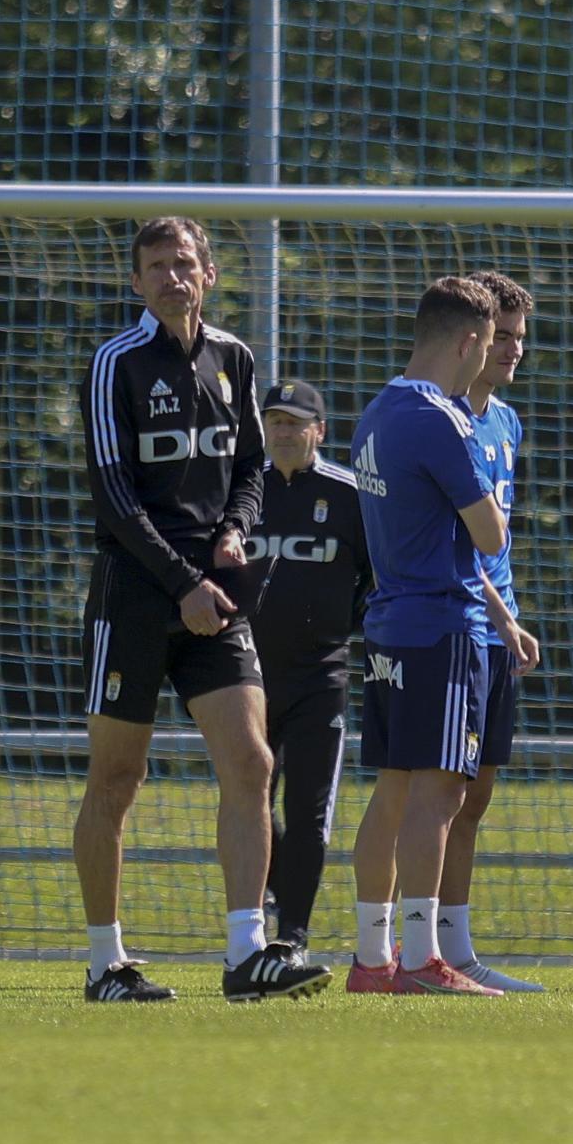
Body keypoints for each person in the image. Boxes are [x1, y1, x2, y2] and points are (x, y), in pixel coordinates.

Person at [74, 216, 331, 1003]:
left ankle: (248, 953)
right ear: (135, 282)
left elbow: (251, 465)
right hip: (138, 593)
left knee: (253, 764)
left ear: (210, 273)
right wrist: (181, 582)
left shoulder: (236, 359)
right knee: (118, 776)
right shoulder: (113, 363)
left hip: (214, 596)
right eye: (154, 266)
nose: (170, 277)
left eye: (183, 263)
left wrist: (232, 533)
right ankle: (104, 963)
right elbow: (114, 498)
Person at [347, 275, 512, 996]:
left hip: (386, 624)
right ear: (469, 342)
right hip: (439, 626)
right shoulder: (441, 419)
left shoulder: (376, 412)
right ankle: (421, 959)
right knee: (439, 796)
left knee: (391, 792)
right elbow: (489, 531)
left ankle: (371, 957)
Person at [436, 269, 543, 992]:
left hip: (497, 629)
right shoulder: (441, 418)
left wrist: (510, 613)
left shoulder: (505, 421)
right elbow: (448, 538)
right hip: (458, 624)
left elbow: (496, 538)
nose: (511, 350)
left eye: (520, 339)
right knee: (434, 793)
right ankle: (409, 945)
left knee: (476, 796)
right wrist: (501, 616)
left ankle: (457, 946)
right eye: (501, 337)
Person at [245, 379, 371, 960]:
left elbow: (376, 576)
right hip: (244, 673)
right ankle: (271, 897)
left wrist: (343, 628)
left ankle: (292, 935)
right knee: (248, 798)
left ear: (319, 431)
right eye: (275, 421)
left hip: (321, 677)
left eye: (295, 423)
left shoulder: (350, 495)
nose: (283, 432)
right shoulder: (241, 489)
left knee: (310, 807)